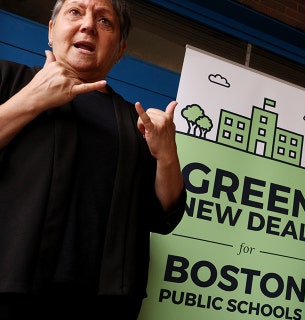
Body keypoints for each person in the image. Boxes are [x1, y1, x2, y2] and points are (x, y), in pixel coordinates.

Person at [0, 0, 186, 319]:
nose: (87, 25)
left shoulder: (137, 122)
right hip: (9, 291)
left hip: (104, 305)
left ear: (120, 49)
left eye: (104, 21)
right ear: (51, 30)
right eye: (75, 12)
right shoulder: (9, 79)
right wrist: (31, 99)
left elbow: (165, 215)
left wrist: (167, 154)